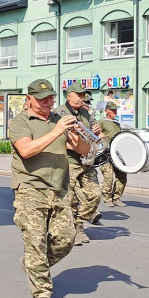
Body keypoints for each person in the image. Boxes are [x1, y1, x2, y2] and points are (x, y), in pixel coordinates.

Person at [8, 79, 87, 298]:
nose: (49, 103)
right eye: (43, 99)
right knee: (36, 241)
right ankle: (42, 292)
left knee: (66, 238)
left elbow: (83, 150)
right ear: (29, 99)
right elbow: (26, 150)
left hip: (59, 188)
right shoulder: (20, 122)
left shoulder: (56, 120)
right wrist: (57, 131)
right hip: (30, 188)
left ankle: (33, 264)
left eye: (52, 98)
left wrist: (76, 136)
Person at [54, 81, 101, 244]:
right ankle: (75, 230)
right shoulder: (59, 112)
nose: (82, 98)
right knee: (71, 199)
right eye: (79, 95)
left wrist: (97, 130)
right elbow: (57, 137)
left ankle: (78, 222)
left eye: (83, 95)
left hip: (87, 159)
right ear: (69, 96)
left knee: (95, 195)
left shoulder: (86, 112)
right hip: (69, 160)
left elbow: (94, 129)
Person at [98, 102, 127, 206]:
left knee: (122, 176)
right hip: (106, 155)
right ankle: (107, 198)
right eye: (113, 110)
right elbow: (95, 135)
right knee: (108, 176)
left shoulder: (116, 123)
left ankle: (117, 197)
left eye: (116, 110)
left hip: (117, 154)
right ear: (106, 111)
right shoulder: (102, 122)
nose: (115, 112)